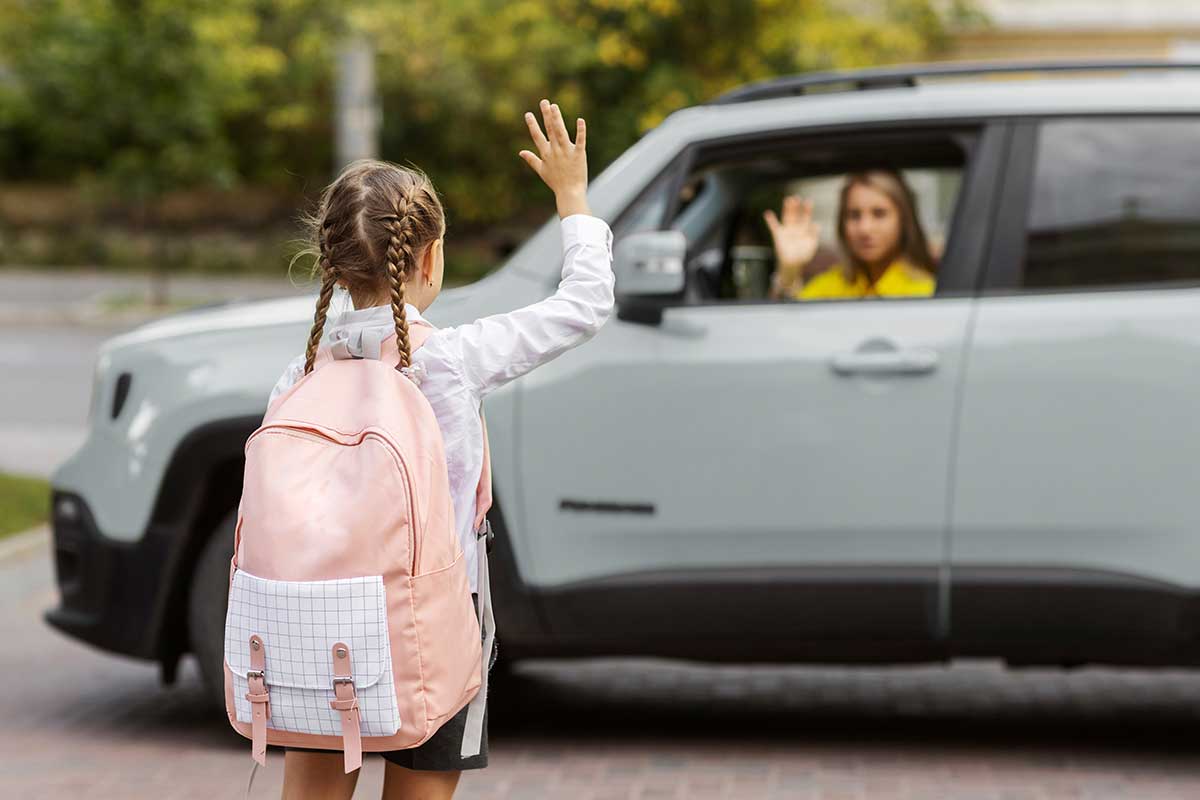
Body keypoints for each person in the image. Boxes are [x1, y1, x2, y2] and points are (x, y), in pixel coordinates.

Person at [267, 98, 614, 800]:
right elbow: (585, 302)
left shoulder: (300, 374)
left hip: (318, 630)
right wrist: (572, 200)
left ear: (331, 264)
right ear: (431, 257)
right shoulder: (453, 360)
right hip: (436, 626)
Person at [764, 169, 936, 301]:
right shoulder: (828, 286)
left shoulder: (927, 291)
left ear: (904, 220)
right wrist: (788, 271)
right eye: (854, 215)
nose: (865, 229)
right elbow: (783, 329)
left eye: (879, 213)